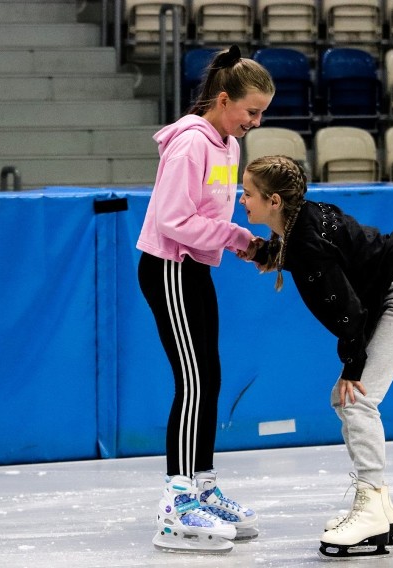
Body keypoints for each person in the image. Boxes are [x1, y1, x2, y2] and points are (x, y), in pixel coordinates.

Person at [237, 155, 393, 559]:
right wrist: (270, 254)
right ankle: (377, 504)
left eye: (247, 193)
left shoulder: (307, 244)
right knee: (345, 399)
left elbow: (348, 310)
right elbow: (327, 250)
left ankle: (371, 509)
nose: (241, 200)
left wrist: (353, 365)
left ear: (274, 201)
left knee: (357, 398)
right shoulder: (300, 225)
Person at [136, 45, 275, 554]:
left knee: (208, 377)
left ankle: (201, 485)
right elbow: (174, 220)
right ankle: (177, 503)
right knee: (192, 380)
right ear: (223, 99)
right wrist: (240, 240)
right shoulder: (191, 144)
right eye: (251, 112)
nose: (256, 122)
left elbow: (209, 215)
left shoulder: (228, 145)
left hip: (195, 268)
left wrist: (250, 241)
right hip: (169, 267)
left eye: (262, 113)